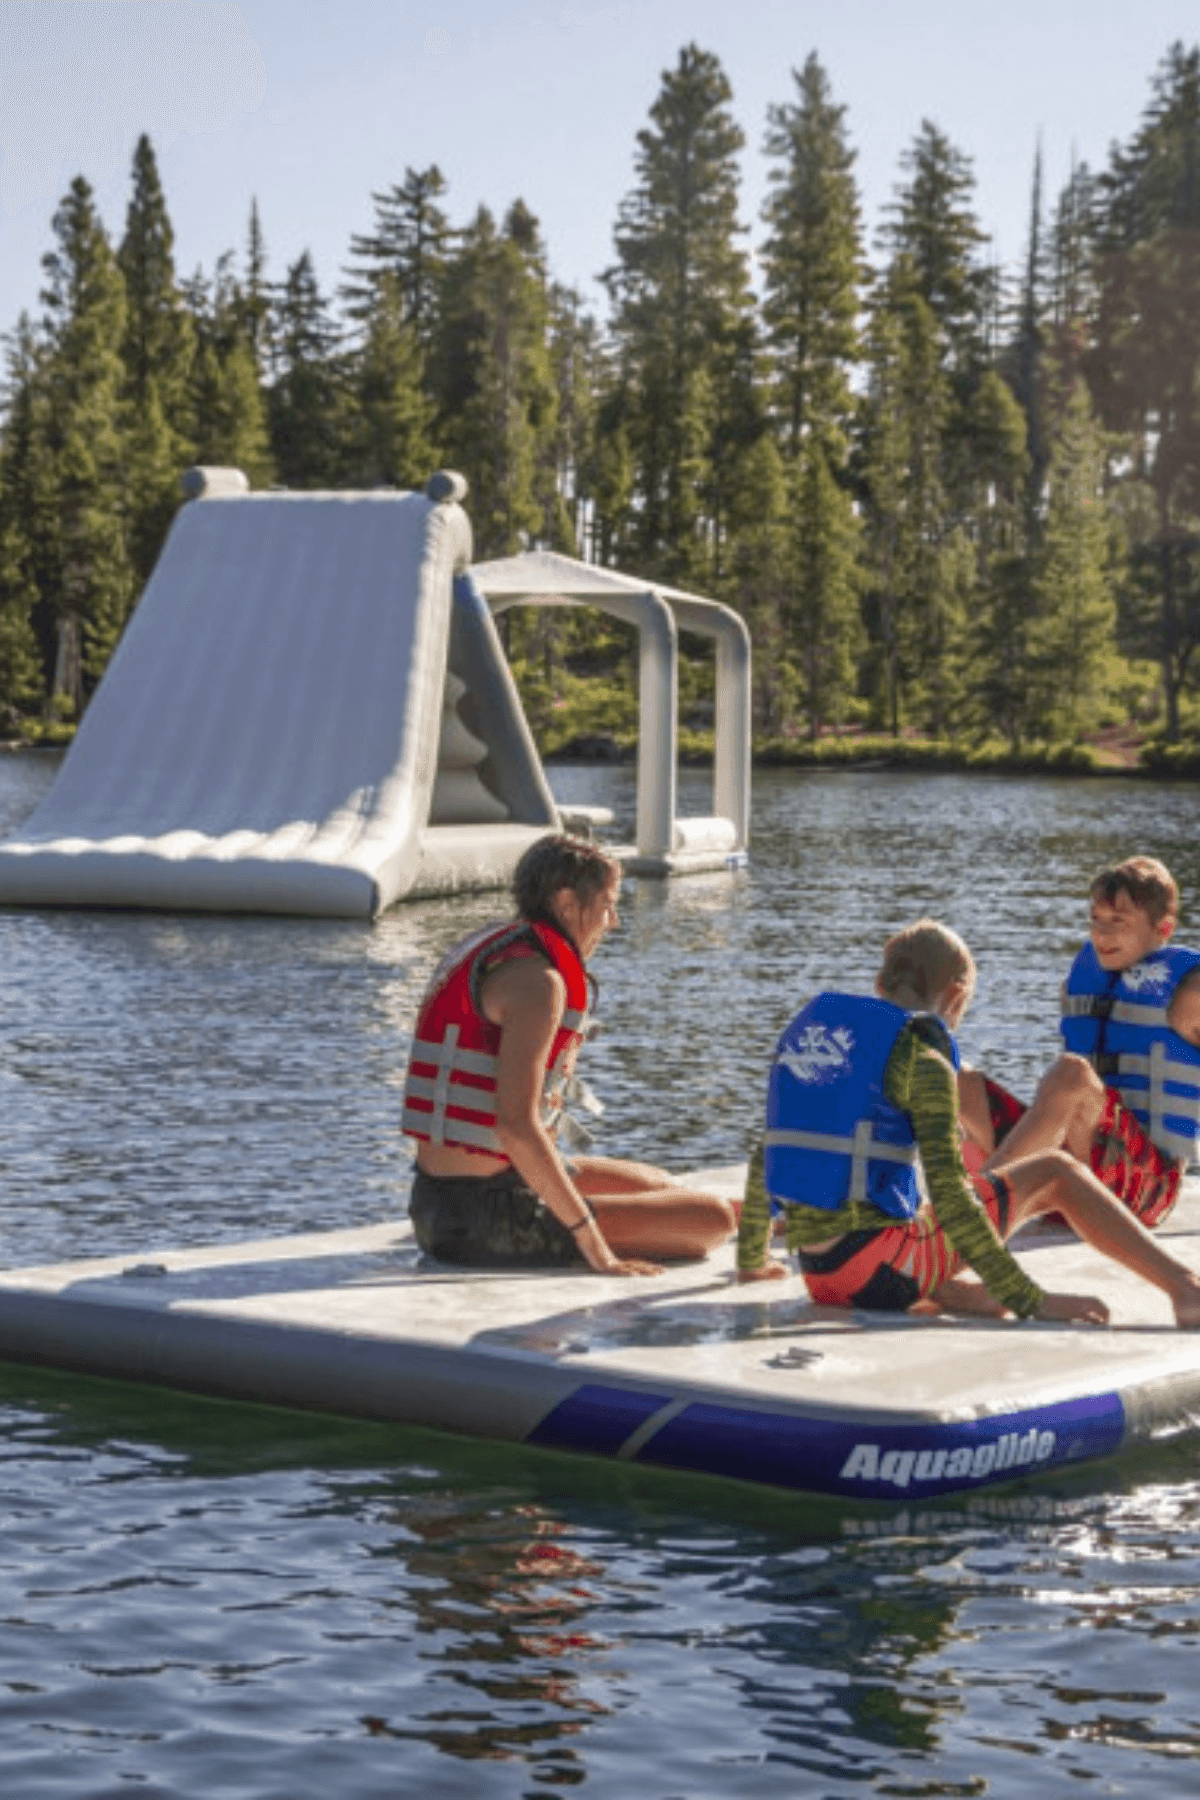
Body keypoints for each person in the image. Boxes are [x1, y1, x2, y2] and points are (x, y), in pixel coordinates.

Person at [737, 918, 1200, 1327]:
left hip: (821, 1276)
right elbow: (954, 1199)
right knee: (1057, 1172)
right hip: (876, 1276)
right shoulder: (922, 1058)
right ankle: (1185, 1288)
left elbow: (767, 1154)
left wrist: (752, 1263)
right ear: (955, 996)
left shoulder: (818, 1038)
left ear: (881, 981)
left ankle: (944, 1288)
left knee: (906, 1210)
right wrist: (1032, 1299)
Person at [402, 833, 736, 1274]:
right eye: (608, 904)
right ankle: (740, 1220)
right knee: (711, 1220)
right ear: (565, 903)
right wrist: (596, 1248)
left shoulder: (498, 951)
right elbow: (516, 1125)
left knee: (659, 1186)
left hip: (438, 1201)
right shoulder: (540, 982)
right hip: (485, 1221)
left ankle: (773, 1219)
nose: (612, 922)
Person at [973, 857, 1200, 1229]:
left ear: (1163, 929)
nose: (1101, 933)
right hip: (1074, 1179)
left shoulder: (1189, 992)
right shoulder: (1089, 977)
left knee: (1072, 1074)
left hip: (1146, 1187)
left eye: (1118, 921)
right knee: (962, 1082)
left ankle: (972, 1209)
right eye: (1096, 919)